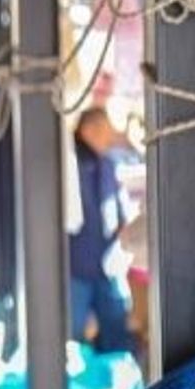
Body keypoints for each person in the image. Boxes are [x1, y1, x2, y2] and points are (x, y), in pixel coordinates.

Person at [69, 106, 134, 353]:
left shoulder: (108, 163)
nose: (110, 137)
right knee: (73, 340)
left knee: (117, 335)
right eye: (105, 131)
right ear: (88, 130)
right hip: (76, 269)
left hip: (108, 267)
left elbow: (120, 207)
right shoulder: (69, 164)